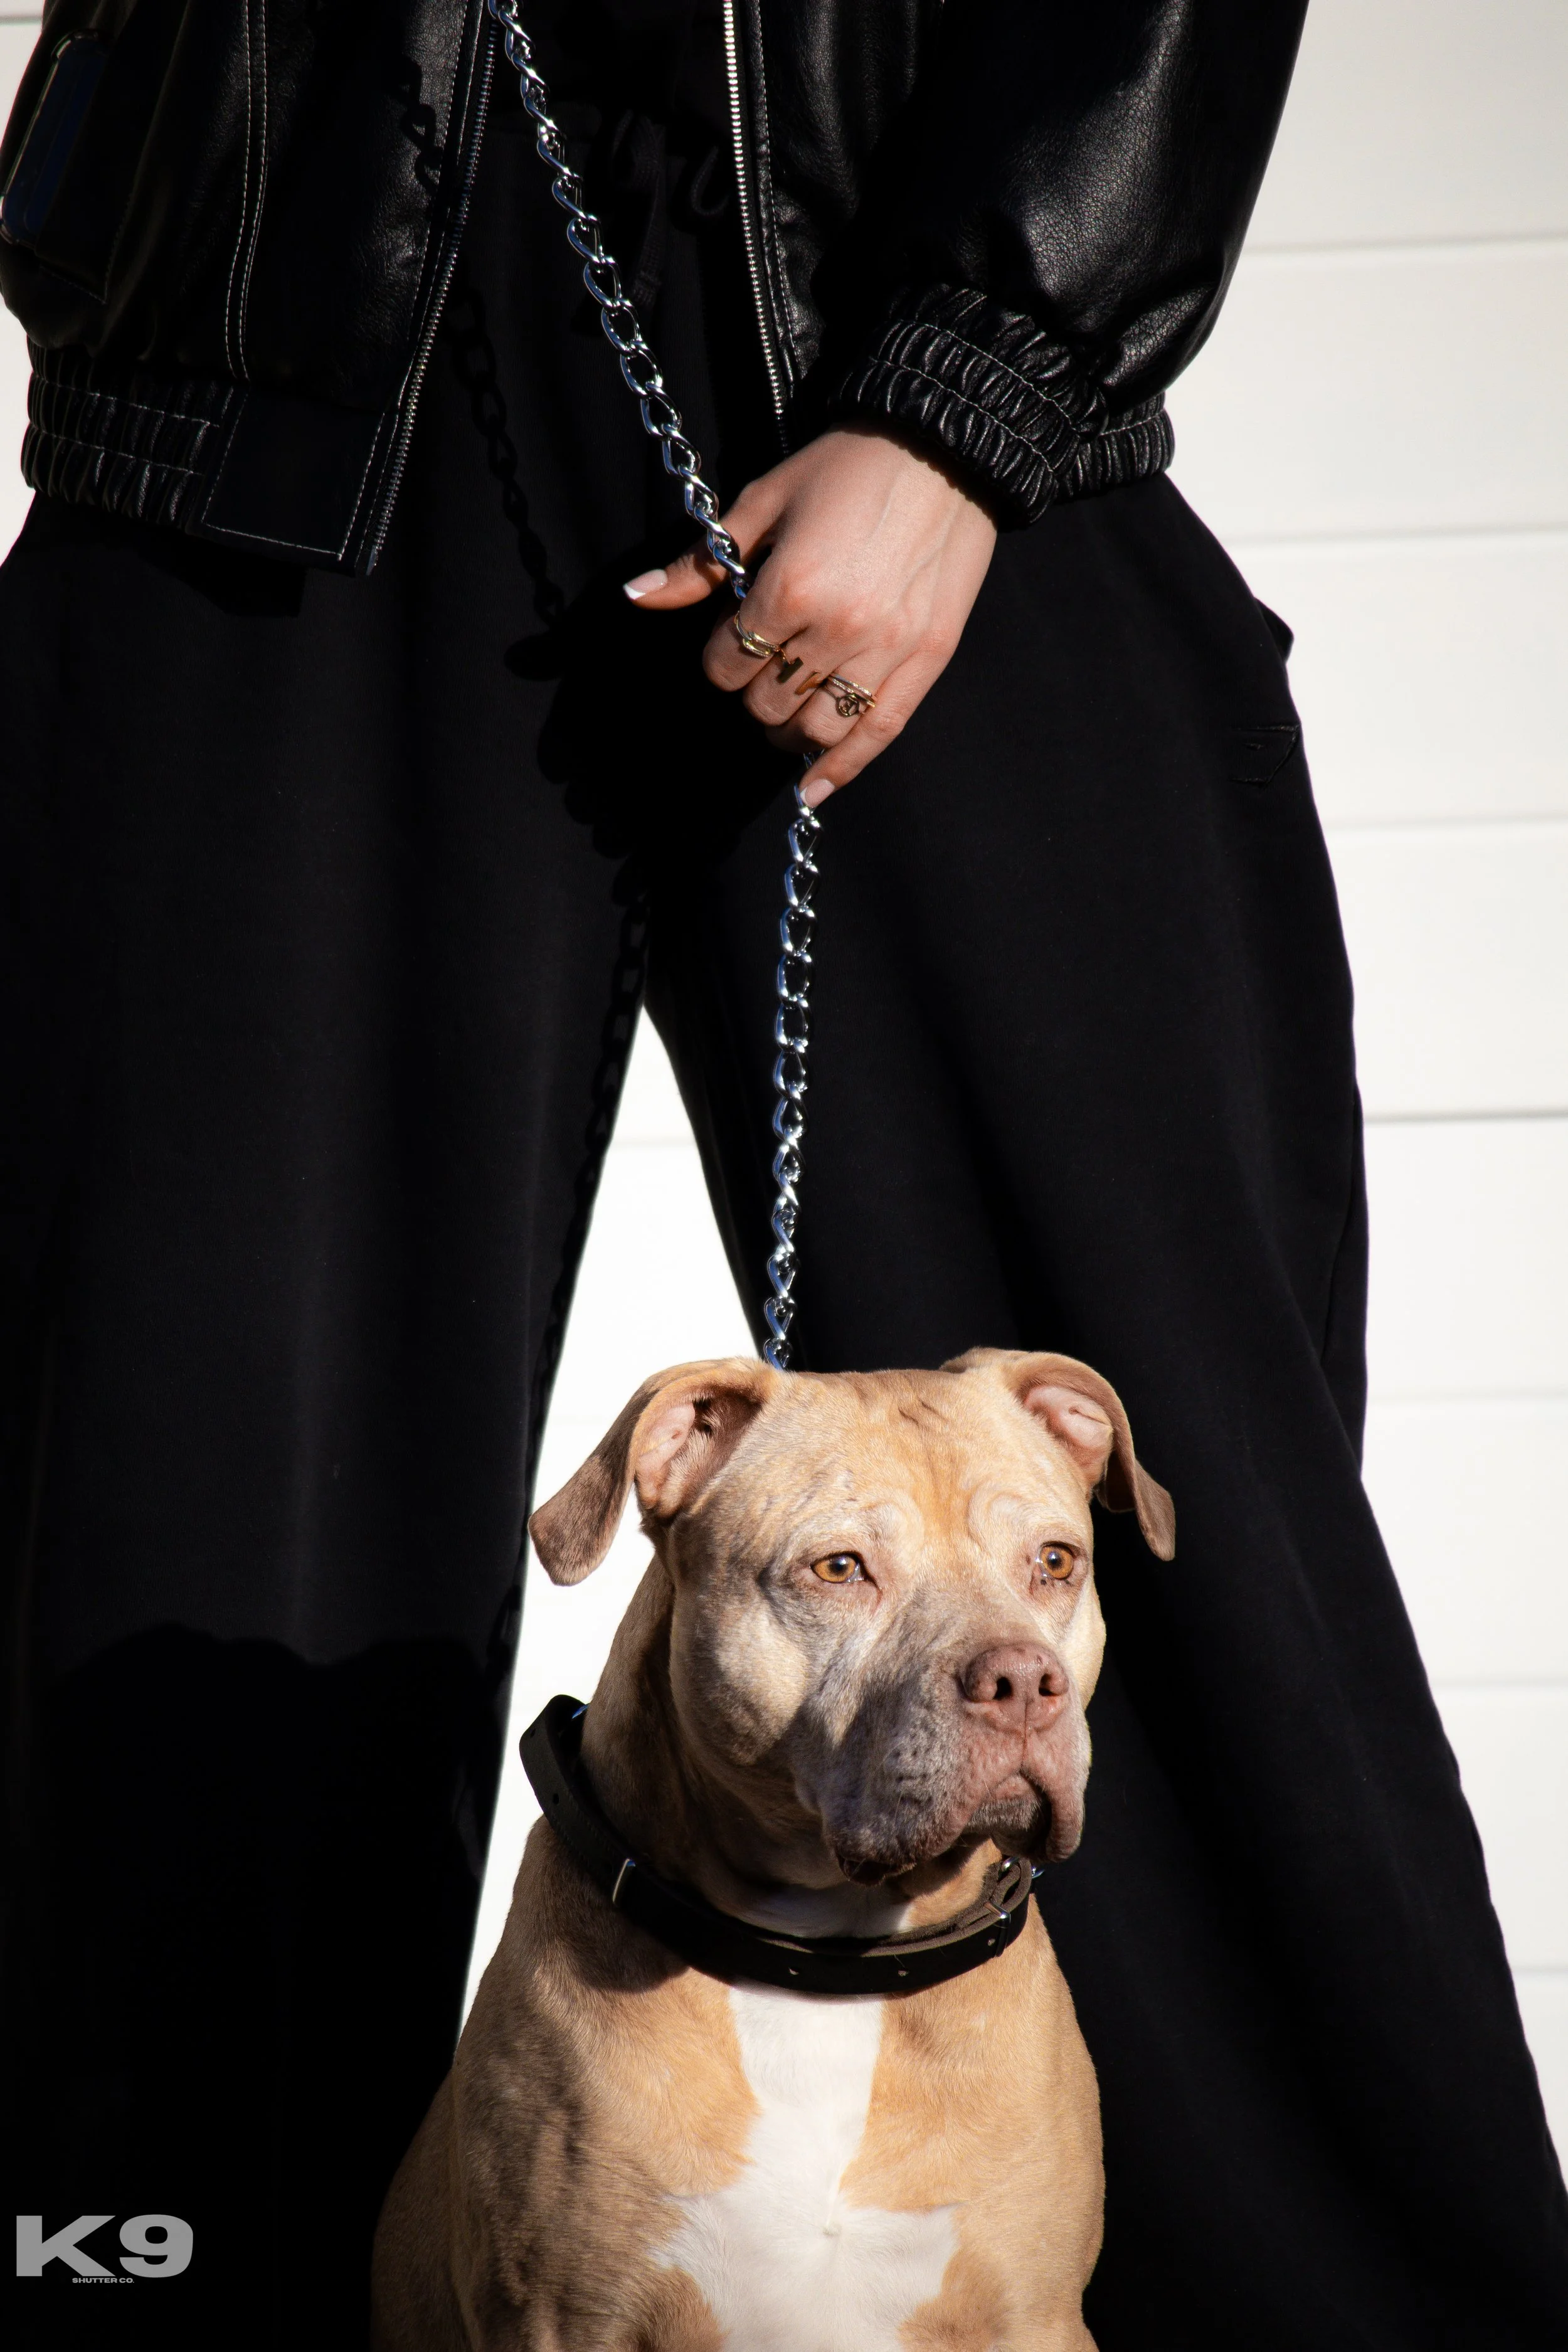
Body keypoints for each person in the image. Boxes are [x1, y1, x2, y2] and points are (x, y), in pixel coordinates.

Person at [1, 1, 1564, 2346]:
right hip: (253, 358)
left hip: (884, 292)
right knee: (180, 1545)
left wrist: (966, 398)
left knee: (1182, 1546)